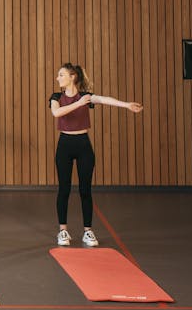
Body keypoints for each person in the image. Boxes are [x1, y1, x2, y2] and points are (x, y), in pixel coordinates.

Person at [49, 62, 143, 247]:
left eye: (61, 75)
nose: (58, 78)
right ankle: (62, 231)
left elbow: (106, 99)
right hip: (65, 145)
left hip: (83, 144)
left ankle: (88, 231)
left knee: (85, 190)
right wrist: (78, 104)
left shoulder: (86, 96)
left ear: (72, 77)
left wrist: (126, 105)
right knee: (64, 189)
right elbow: (56, 113)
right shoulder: (56, 96)